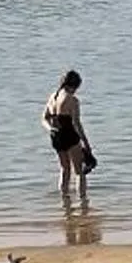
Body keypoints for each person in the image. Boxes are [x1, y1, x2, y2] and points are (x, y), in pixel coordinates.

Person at [43, 70, 94, 205]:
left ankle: (65, 202)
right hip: (69, 135)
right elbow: (77, 124)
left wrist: (50, 129)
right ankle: (83, 202)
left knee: (64, 169)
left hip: (56, 136)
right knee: (79, 171)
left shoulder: (53, 97)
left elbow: (44, 118)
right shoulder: (72, 100)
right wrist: (86, 143)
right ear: (74, 85)